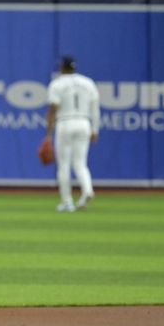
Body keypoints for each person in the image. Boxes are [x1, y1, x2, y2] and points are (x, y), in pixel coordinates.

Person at [44, 56, 99, 213]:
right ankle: (87, 190)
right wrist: (95, 129)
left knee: (64, 165)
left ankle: (67, 201)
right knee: (80, 163)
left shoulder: (57, 84)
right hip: (84, 122)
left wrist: (48, 133)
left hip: (65, 122)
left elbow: (53, 108)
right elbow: (95, 108)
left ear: (62, 67)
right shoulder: (88, 83)